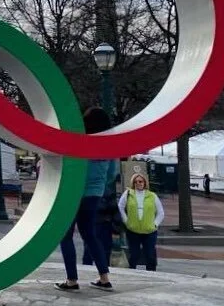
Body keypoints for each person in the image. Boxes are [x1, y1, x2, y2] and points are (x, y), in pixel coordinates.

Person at [56, 107, 116, 292]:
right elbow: (112, 174)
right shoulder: (109, 146)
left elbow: (69, 167)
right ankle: (104, 278)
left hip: (74, 193)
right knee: (90, 234)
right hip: (95, 195)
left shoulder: (80, 142)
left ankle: (72, 280)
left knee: (66, 235)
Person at [118, 172, 165, 271]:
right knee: (133, 255)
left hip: (149, 231)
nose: (138, 183)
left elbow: (161, 212)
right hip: (133, 231)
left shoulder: (152, 196)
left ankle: (151, 275)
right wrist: (127, 221)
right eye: (136, 182)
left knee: (150, 256)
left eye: (140, 181)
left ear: (144, 182)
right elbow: (120, 208)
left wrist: (155, 224)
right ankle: (132, 274)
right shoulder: (128, 194)